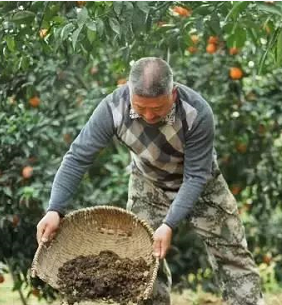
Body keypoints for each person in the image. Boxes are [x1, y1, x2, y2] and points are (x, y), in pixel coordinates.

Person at [36, 57, 265, 305]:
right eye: (140, 107)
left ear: (173, 93)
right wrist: (54, 208)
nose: (148, 116)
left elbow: (196, 175)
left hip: (202, 185)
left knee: (233, 257)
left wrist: (169, 224)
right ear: (129, 91)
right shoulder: (112, 108)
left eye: (157, 109)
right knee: (138, 262)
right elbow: (77, 158)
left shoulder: (197, 112)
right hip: (148, 183)